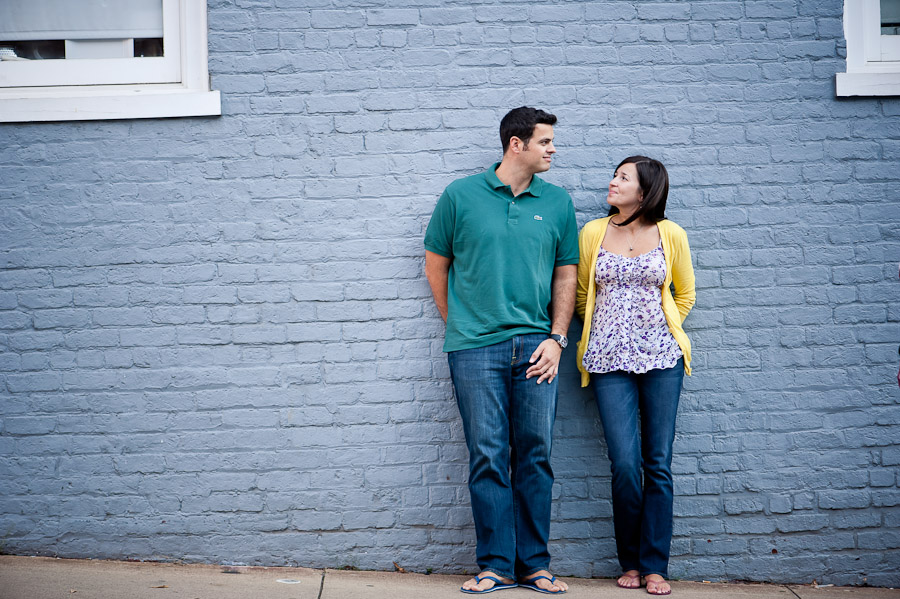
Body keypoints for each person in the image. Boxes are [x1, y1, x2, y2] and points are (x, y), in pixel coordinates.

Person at [424, 106, 578, 595]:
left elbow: (566, 275)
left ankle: (535, 565)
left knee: (535, 455)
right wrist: (463, 325)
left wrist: (556, 338)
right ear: (517, 144)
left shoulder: (557, 203)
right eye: (545, 141)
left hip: (539, 346)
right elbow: (436, 263)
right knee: (487, 455)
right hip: (474, 349)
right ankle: (495, 565)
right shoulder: (460, 196)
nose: (553, 149)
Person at [575, 156, 695, 596]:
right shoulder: (593, 232)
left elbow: (685, 293)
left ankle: (654, 565)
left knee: (657, 465)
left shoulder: (670, 234)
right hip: (607, 363)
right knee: (625, 464)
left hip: (662, 361)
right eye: (614, 175)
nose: (612, 182)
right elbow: (584, 294)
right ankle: (629, 559)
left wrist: (658, 329)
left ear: (644, 192)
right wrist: (607, 330)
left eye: (622, 178)